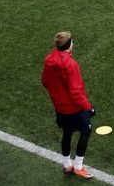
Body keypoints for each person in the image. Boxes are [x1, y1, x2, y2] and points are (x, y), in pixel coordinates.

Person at [41, 31, 96, 179]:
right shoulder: (71, 64)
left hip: (59, 107)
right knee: (86, 130)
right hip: (74, 107)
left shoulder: (48, 60)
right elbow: (76, 92)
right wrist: (88, 108)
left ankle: (67, 165)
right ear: (69, 44)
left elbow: (45, 82)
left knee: (67, 132)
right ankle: (78, 166)